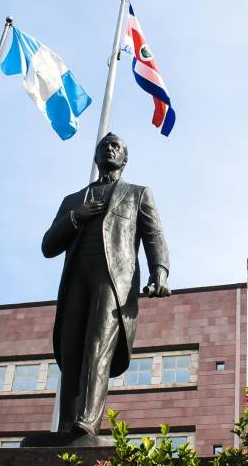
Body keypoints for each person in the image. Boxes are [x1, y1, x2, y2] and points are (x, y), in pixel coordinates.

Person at [42, 133, 170, 435]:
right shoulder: (72, 200)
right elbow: (48, 246)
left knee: (97, 347)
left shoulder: (138, 194)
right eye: (104, 145)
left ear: (124, 160)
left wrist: (160, 273)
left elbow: (154, 236)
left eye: (117, 147)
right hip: (76, 278)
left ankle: (87, 419)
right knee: (71, 348)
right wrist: (75, 217)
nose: (110, 149)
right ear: (95, 156)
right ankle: (65, 425)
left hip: (114, 279)